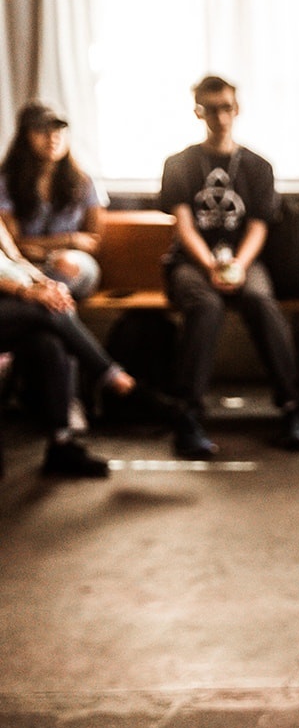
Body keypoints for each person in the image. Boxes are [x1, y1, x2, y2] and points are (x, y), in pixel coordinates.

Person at [160, 75, 299, 460]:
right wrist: (211, 265)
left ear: (238, 108)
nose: (220, 117)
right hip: (191, 263)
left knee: (261, 302)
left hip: (244, 260)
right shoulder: (179, 164)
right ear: (198, 112)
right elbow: (184, 226)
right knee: (206, 306)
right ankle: (188, 416)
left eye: (226, 108)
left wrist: (238, 266)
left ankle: (294, 408)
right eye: (211, 109)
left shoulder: (258, 166)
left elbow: (259, 227)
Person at [0, 218, 175, 477]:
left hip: (11, 303)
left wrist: (47, 284)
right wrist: (27, 292)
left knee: (49, 338)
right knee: (47, 311)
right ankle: (118, 382)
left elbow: (14, 258)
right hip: (11, 299)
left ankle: (61, 444)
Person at [0, 101, 106, 299]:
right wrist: (70, 240)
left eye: (58, 129)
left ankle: (45, 297)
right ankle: (47, 301)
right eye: (42, 130)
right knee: (17, 278)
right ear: (24, 136)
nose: (52, 137)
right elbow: (14, 244)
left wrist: (44, 250)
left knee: (65, 263)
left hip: (73, 264)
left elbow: (92, 242)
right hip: (21, 264)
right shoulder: (6, 183)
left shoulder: (83, 181)